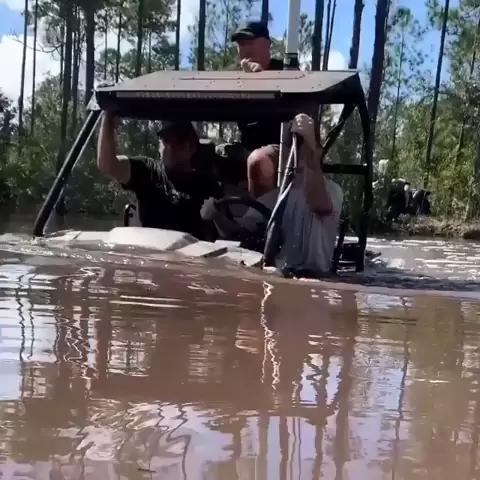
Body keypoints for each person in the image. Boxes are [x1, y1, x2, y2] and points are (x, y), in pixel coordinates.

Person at [201, 113, 344, 275]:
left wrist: (310, 150)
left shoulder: (333, 191)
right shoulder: (275, 198)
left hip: (315, 280)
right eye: (296, 148)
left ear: (319, 152)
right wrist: (216, 216)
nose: (300, 155)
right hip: (278, 275)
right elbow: (239, 233)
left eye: (304, 148)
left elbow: (317, 203)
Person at [97, 113, 223, 240]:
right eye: (166, 140)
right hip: (151, 249)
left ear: (192, 147)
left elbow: (224, 232)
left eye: (179, 142)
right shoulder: (147, 170)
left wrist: (216, 215)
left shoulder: (206, 184)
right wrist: (108, 115)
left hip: (192, 250)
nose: (170, 148)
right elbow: (107, 164)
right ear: (159, 145)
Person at [230, 21, 288, 198]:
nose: (245, 49)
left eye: (250, 42)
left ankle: (260, 214)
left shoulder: (286, 71)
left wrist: (261, 81)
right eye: (241, 44)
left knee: (259, 160)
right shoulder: (233, 79)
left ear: (267, 43)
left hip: (283, 149)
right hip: (246, 148)